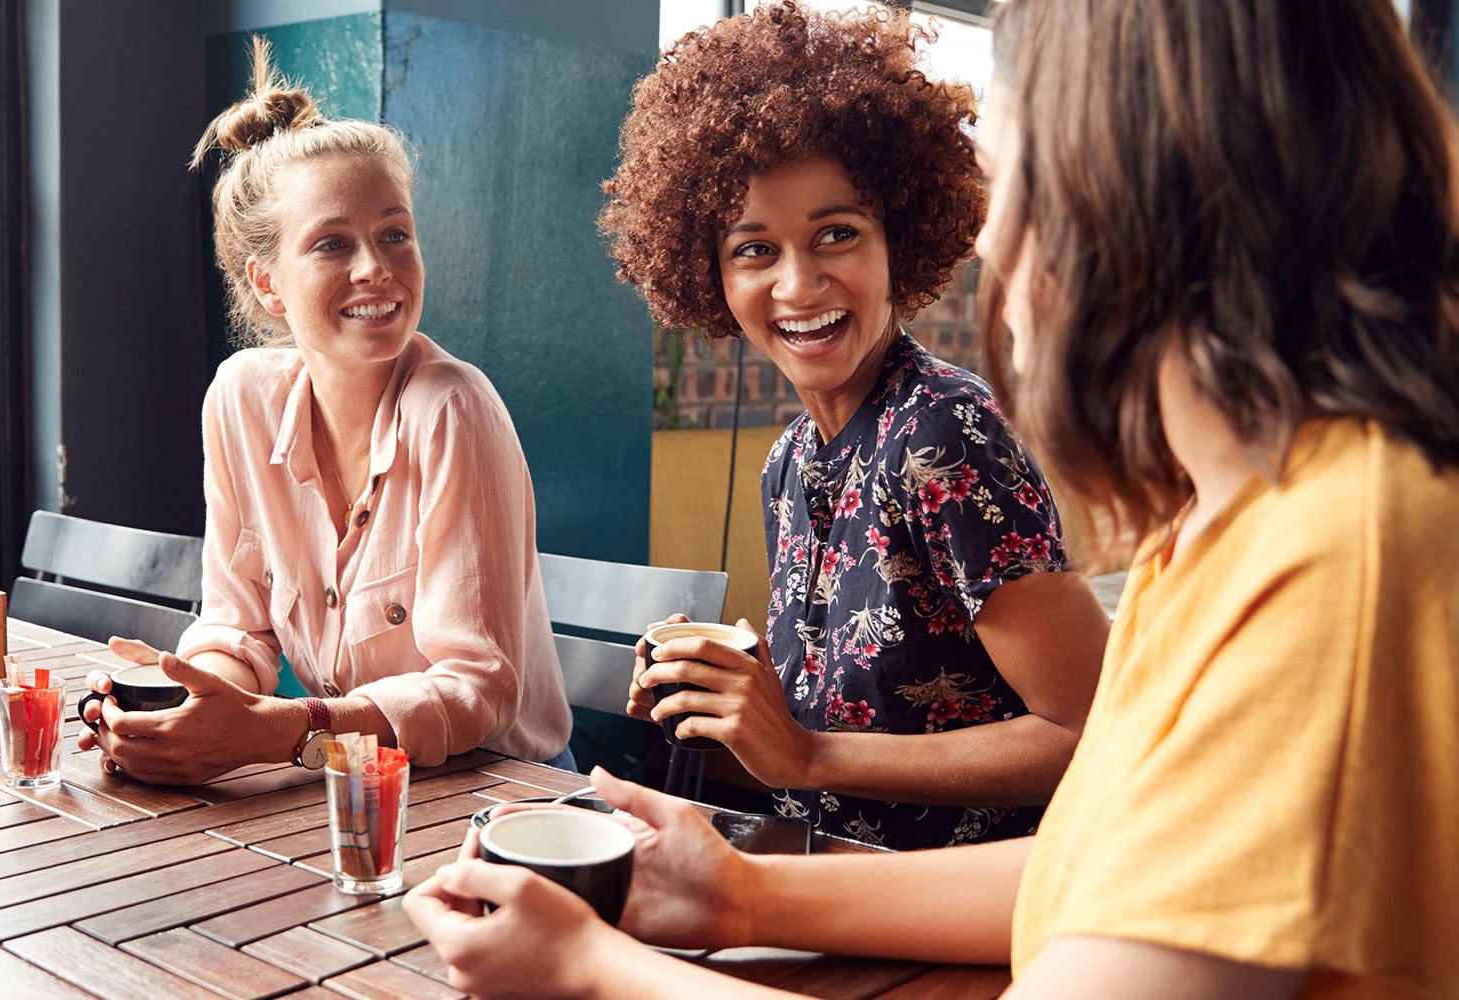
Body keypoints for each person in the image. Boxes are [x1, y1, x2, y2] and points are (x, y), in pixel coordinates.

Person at [406, 0, 1459, 995]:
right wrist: (727, 886)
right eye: (752, 250)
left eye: (1026, 174)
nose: (996, 242)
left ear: (1145, 190)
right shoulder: (1211, 535)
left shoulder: (1335, 562)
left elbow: (1070, 769)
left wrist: (592, 971)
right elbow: (1092, 867)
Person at [598, 1, 1108, 849]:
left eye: (836, 234)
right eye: (754, 249)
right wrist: (731, 685)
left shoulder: (947, 437)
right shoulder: (791, 460)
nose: (799, 286)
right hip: (822, 879)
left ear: (897, 242)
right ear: (711, 276)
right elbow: (847, 706)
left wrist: (807, 755)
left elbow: (1087, 731)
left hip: (961, 913)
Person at [78, 40, 572, 785]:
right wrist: (189, 700)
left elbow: (478, 691)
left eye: (394, 234)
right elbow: (238, 626)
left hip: (504, 794)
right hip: (347, 780)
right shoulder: (240, 399)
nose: (375, 267)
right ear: (267, 283)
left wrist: (281, 730)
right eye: (334, 244)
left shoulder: (452, 408)